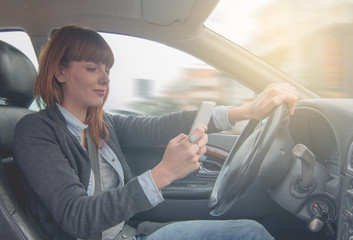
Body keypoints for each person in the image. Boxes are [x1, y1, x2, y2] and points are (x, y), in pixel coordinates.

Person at [13, 24, 297, 240]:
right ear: (60, 73)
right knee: (249, 235)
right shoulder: (35, 131)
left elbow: (157, 126)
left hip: (129, 232)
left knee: (250, 229)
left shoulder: (102, 124)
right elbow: (78, 217)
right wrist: (165, 172)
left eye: (107, 69)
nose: (106, 78)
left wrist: (245, 112)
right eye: (92, 68)